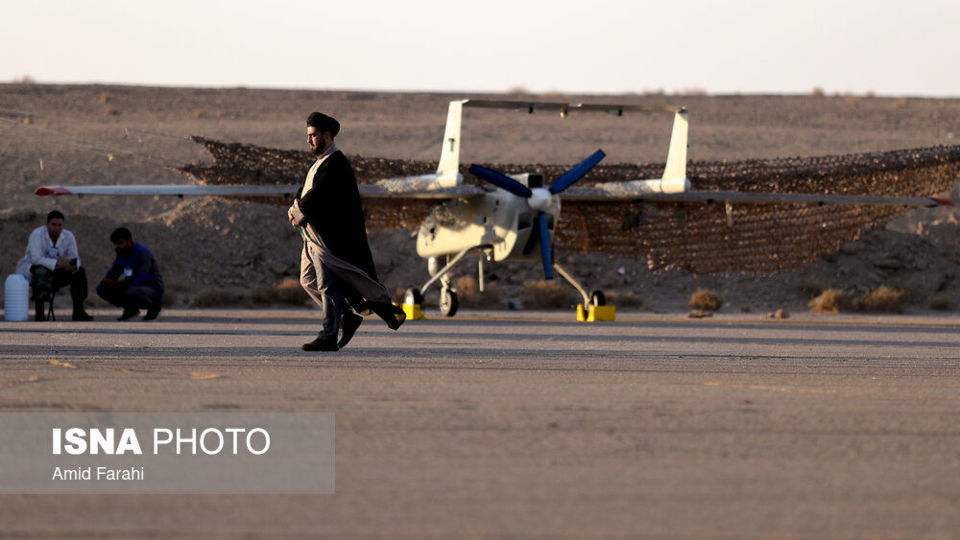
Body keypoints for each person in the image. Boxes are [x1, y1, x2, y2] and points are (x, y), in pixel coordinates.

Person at [288, 111, 405, 352]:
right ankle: (345, 317)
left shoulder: (337, 164)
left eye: (314, 136)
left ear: (327, 136)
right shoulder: (319, 164)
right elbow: (304, 194)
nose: (309, 140)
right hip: (313, 238)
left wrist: (299, 211)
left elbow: (317, 197)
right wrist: (294, 209)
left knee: (327, 285)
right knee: (307, 280)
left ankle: (328, 336)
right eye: (308, 136)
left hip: (330, 241)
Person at [16, 210, 93, 321]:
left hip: (55, 272)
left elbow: (75, 257)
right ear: (47, 224)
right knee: (40, 271)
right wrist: (58, 263)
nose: (56, 228)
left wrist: (73, 266)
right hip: (34, 271)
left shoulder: (68, 236)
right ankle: (40, 312)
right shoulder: (37, 234)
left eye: (59, 225)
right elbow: (36, 259)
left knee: (79, 273)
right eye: (53, 225)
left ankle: (78, 311)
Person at [96, 227, 164, 321]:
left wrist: (116, 284)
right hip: (132, 285)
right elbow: (114, 272)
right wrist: (107, 280)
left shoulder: (142, 253)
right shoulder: (122, 254)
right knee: (102, 289)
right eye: (115, 244)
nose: (117, 246)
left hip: (151, 288)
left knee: (131, 291)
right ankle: (131, 309)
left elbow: (140, 280)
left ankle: (153, 306)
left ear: (129, 241)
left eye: (119, 243)